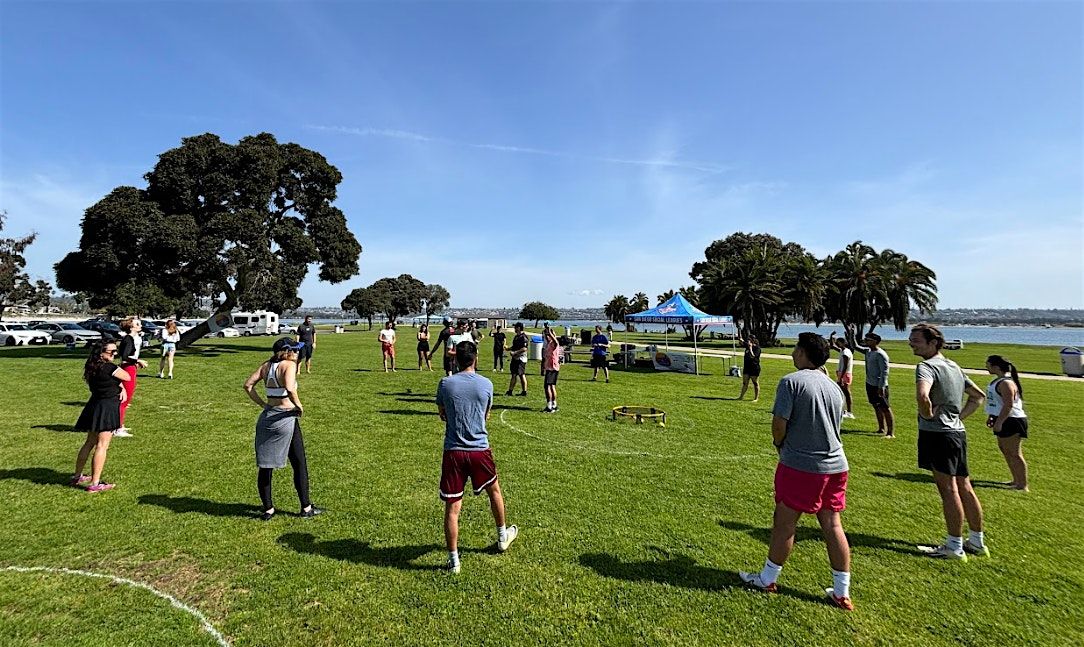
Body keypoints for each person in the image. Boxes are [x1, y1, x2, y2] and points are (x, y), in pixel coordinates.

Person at [740, 333, 853, 610]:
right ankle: (841, 591)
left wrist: (780, 445)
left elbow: (779, 423)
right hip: (837, 466)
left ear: (803, 353)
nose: (792, 353)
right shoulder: (834, 386)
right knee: (833, 525)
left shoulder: (791, 382)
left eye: (795, 348)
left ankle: (767, 579)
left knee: (785, 522)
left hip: (803, 466)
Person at [436, 340, 518, 573]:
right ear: (476, 359)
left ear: (455, 359)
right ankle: (503, 536)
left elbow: (442, 413)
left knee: (453, 507)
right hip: (480, 450)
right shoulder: (487, 384)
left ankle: (454, 562)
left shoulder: (445, 384)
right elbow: (486, 415)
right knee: (495, 491)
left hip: (453, 451)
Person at [908, 323, 988, 560]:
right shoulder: (953, 366)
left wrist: (927, 414)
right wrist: (958, 417)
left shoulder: (926, 367)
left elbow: (923, 394)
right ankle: (976, 541)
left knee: (948, 489)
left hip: (938, 435)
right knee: (964, 486)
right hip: (956, 434)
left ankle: (954, 546)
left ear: (933, 343)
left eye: (916, 340)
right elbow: (978, 396)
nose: (911, 343)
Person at [243, 337, 323, 521]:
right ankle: (306, 507)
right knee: (299, 463)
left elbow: (248, 385)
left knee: (265, 466)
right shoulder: (288, 365)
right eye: (294, 350)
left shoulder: (266, 366)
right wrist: (299, 405)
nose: (296, 353)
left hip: (267, 417)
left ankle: (268, 509)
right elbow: (289, 387)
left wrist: (263, 403)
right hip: (285, 418)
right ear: (286, 351)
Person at [71, 341, 132, 492]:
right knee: (102, 445)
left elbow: (116, 381)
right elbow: (127, 376)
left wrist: (119, 386)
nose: (115, 354)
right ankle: (95, 483)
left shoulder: (92, 367)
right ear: (101, 353)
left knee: (89, 442)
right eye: (112, 352)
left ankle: (77, 476)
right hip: (107, 407)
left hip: (95, 404)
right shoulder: (109, 367)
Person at [984, 355, 1029, 491]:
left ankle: (1022, 485)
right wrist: (992, 417)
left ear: (996, 367)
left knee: (1014, 453)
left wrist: (1000, 422)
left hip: (1012, 420)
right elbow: (997, 403)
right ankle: (1016, 480)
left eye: (988, 364)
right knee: (1005, 450)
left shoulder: (1006, 383)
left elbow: (1008, 405)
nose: (986, 366)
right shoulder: (997, 381)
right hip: (1002, 418)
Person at [855, 332, 894, 437]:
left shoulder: (881, 354)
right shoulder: (868, 351)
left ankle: (890, 433)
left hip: (879, 386)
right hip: (870, 384)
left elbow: (884, 372)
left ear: (875, 341)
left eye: (868, 340)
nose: (865, 341)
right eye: (866, 339)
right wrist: (851, 334)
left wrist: (881, 387)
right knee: (876, 406)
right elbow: (854, 346)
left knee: (885, 407)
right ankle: (881, 428)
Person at [115, 317, 147, 437]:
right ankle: (118, 428)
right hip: (127, 368)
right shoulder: (128, 339)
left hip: (130, 368)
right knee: (124, 399)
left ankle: (120, 425)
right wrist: (138, 360)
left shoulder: (132, 338)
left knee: (126, 398)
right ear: (131, 327)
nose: (140, 325)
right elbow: (124, 356)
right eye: (137, 324)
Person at [829, 332, 855, 418]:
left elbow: (845, 366)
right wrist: (831, 336)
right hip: (842, 374)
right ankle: (844, 410)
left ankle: (850, 412)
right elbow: (832, 346)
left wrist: (841, 378)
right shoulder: (842, 351)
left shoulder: (845, 353)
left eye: (838, 342)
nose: (836, 344)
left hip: (845, 374)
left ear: (843, 343)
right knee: (842, 393)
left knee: (846, 393)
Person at [505, 322, 529, 397]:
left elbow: (524, 348)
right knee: (514, 374)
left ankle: (523, 391)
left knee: (521, 375)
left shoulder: (524, 337)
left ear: (519, 328)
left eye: (515, 327)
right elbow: (514, 346)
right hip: (515, 358)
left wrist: (515, 353)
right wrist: (508, 348)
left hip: (521, 359)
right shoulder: (516, 337)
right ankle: (511, 391)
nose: (514, 328)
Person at [541, 324, 561, 412]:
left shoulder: (554, 344)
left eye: (547, 335)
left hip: (552, 368)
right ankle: (554, 404)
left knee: (547, 386)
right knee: (552, 386)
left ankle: (549, 406)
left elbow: (555, 341)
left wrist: (550, 332)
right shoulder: (549, 344)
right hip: (550, 367)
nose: (546, 336)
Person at [737, 336, 762, 401]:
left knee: (755, 383)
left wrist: (750, 348)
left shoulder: (757, 348)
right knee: (745, 383)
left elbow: (753, 356)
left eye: (749, 340)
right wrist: (740, 337)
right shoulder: (747, 346)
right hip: (747, 367)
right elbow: (741, 341)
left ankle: (756, 398)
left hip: (754, 367)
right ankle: (741, 397)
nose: (748, 341)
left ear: (753, 341)